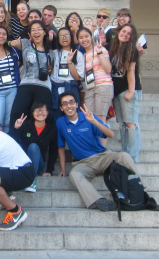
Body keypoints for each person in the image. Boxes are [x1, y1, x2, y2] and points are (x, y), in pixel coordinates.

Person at [56, 92, 141, 212]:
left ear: (76, 104)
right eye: (64, 104)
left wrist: (94, 121)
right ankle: (99, 201)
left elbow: (110, 134)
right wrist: (63, 170)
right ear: (61, 108)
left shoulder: (89, 117)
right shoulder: (60, 122)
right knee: (74, 174)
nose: (68, 106)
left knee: (124, 156)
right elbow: (60, 146)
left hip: (102, 157)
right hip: (83, 163)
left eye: (71, 102)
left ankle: (140, 190)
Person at [9, 21, 53, 130]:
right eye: (33, 30)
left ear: (44, 32)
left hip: (44, 86)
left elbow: (50, 69)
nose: (36, 32)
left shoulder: (50, 51)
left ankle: (34, 142)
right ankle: (14, 138)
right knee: (17, 111)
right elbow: (8, 42)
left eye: (39, 29)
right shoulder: (25, 43)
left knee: (39, 116)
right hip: (26, 84)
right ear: (29, 33)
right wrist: (12, 43)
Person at [108, 23, 142, 163]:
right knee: (122, 123)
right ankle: (125, 152)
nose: (125, 34)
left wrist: (131, 90)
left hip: (127, 90)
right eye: (123, 31)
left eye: (129, 33)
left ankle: (133, 156)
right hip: (116, 91)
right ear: (118, 32)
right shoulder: (113, 47)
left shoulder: (131, 50)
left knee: (130, 123)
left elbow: (131, 72)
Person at [77, 28, 114, 147]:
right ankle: (94, 147)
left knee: (100, 118)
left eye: (86, 36)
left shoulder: (101, 49)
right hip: (90, 88)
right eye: (81, 37)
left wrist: (99, 53)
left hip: (103, 86)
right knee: (90, 118)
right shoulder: (82, 55)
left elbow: (108, 69)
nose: (84, 39)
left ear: (91, 37)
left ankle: (102, 149)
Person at [11, 100, 58, 192]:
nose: (40, 113)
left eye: (43, 110)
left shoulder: (52, 129)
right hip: (23, 162)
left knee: (33, 146)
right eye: (37, 110)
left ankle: (32, 179)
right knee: (19, 145)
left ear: (48, 112)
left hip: (39, 163)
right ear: (32, 113)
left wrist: (49, 170)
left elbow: (53, 150)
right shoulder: (25, 125)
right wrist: (16, 128)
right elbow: (12, 142)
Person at [50, 27, 84, 117]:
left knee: (72, 115)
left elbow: (77, 77)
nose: (64, 38)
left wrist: (69, 62)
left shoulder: (78, 54)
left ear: (71, 37)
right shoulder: (54, 53)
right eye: (61, 36)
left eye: (66, 35)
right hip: (55, 88)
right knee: (55, 116)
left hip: (70, 88)